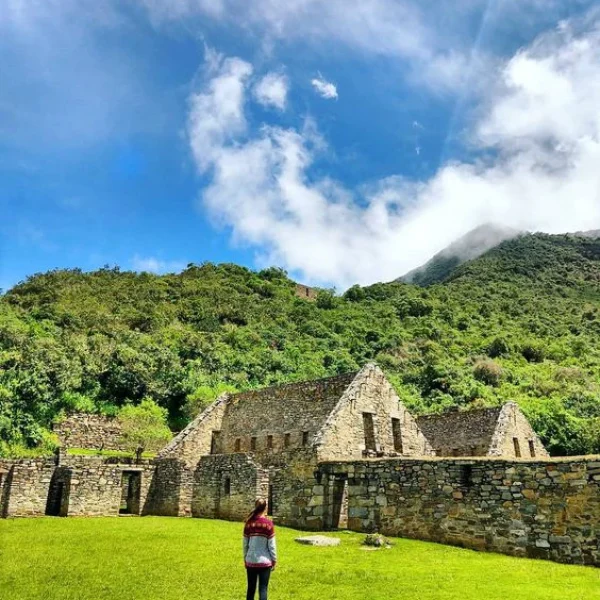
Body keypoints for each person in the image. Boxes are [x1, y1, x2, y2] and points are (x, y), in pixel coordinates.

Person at [243, 498, 277, 600]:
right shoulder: (269, 524)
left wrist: (245, 558)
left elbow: (245, 544)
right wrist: (274, 559)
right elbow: (272, 545)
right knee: (263, 589)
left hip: (251, 560)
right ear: (265, 508)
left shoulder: (248, 524)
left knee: (251, 589)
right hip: (265, 562)